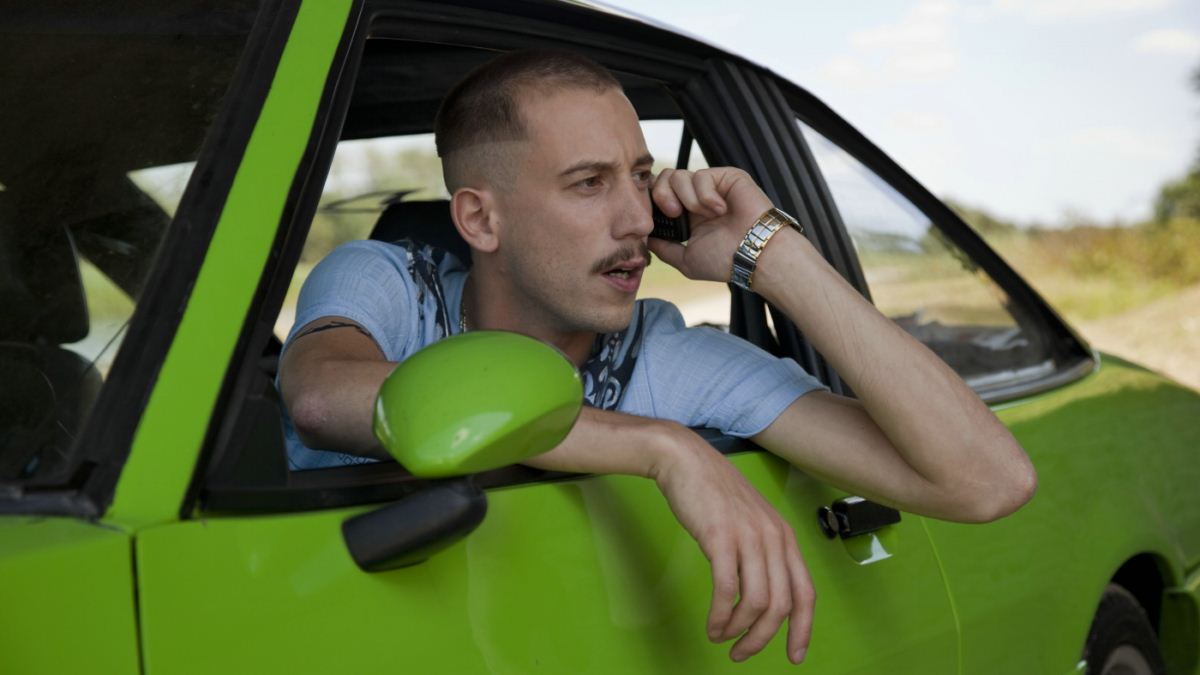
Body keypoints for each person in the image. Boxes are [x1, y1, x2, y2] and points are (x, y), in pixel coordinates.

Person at [278, 50, 1037, 665]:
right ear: (480, 217)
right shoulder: (387, 283)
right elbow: (320, 395)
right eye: (589, 184)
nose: (638, 218)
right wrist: (658, 446)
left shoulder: (666, 357)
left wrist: (770, 253)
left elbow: (986, 483)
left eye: (642, 177)